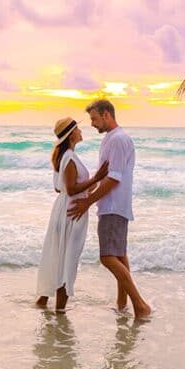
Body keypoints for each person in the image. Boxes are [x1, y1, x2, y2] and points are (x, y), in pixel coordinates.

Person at [68, 100, 151, 318]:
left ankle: (140, 305)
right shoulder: (110, 139)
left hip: (113, 206)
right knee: (120, 256)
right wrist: (88, 192)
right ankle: (123, 304)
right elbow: (105, 175)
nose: (93, 124)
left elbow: (114, 179)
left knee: (107, 257)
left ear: (106, 115)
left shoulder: (118, 140)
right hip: (113, 205)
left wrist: (88, 201)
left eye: (95, 119)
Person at [36, 117, 108, 311]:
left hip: (65, 209)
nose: (81, 131)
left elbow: (61, 189)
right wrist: (97, 178)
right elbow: (71, 188)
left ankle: (44, 303)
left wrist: (93, 189)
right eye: (77, 129)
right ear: (70, 135)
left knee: (60, 257)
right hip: (71, 213)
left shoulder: (66, 157)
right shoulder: (68, 157)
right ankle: (59, 313)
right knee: (68, 260)